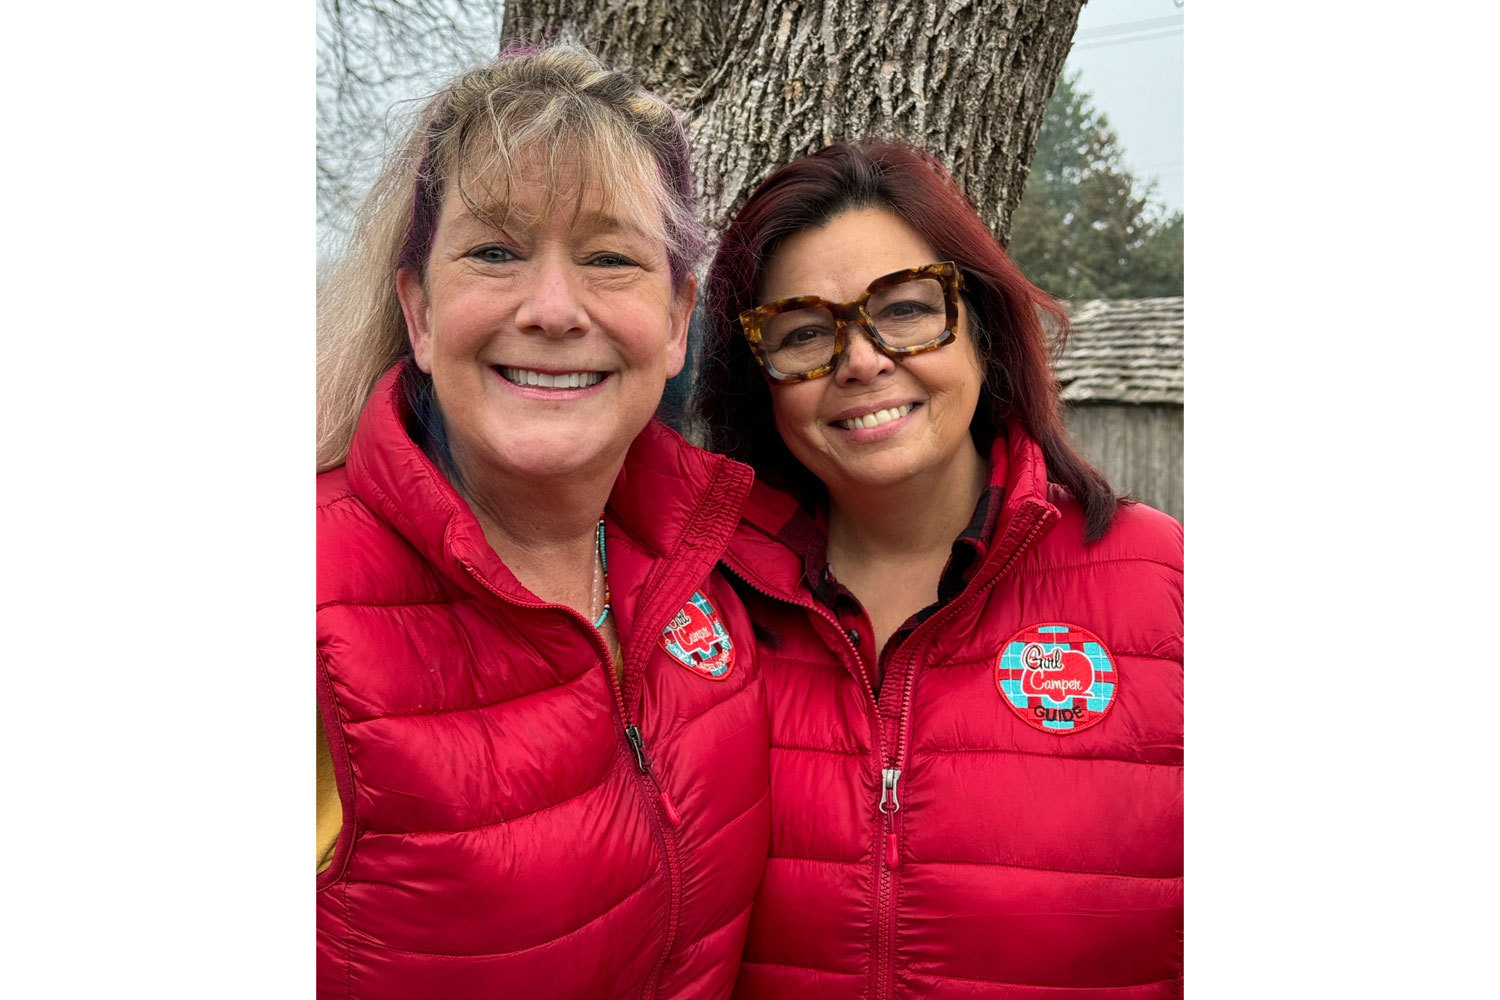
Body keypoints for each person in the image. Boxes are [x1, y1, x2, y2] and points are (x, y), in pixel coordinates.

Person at [316, 43, 769, 999]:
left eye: (611, 258)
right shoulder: (308, 605)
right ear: (420, 313)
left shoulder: (717, 577)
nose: (556, 309)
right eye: (494, 251)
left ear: (679, 315)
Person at [695, 139, 1183, 998]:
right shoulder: (695, 612)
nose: (861, 360)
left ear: (983, 327)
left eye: (908, 309)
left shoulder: (1169, 588)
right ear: (760, 380)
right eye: (804, 331)